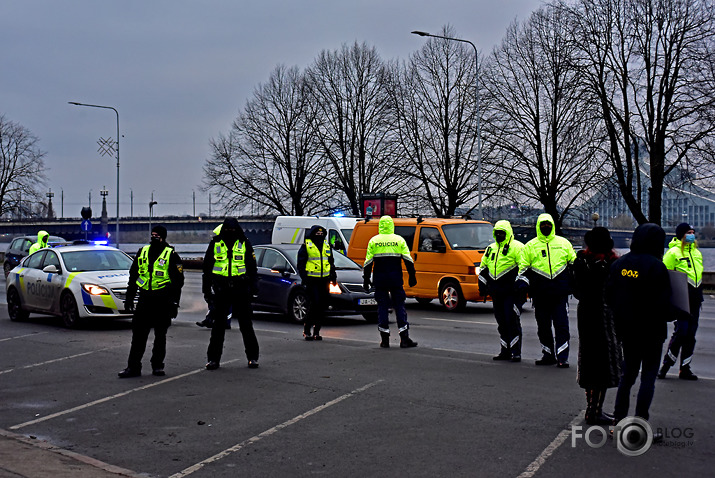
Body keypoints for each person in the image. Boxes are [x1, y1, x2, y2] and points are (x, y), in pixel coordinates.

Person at [606, 223, 670, 435]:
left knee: (627, 376)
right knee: (648, 377)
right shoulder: (656, 266)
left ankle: (618, 420)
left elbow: (609, 296)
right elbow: (665, 304)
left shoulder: (620, 264)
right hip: (651, 331)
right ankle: (641, 424)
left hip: (627, 330)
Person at [118, 225, 185, 378]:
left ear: (163, 237)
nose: (154, 237)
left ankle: (158, 366)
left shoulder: (171, 255)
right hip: (144, 300)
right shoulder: (143, 252)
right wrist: (130, 297)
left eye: (157, 235)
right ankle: (133, 367)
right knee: (138, 336)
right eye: (153, 234)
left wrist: (175, 303)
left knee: (160, 336)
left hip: (163, 301)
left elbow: (178, 282)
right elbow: (133, 277)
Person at [571, 227, 622, 425]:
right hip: (604, 315)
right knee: (602, 364)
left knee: (589, 359)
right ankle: (595, 410)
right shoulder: (611, 264)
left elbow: (575, 290)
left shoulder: (580, 262)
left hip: (585, 314)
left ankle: (591, 407)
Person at [517, 213, 576, 367]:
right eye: (542, 224)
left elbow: (574, 265)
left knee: (561, 326)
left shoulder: (564, 243)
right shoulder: (530, 246)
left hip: (560, 294)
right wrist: (523, 287)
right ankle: (548, 355)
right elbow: (523, 270)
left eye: (548, 224)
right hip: (540, 295)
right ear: (538, 225)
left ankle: (562, 358)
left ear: (552, 225)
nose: (545, 226)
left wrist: (574, 285)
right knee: (543, 327)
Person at [202, 217, 260, 370]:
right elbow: (207, 269)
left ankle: (253, 357)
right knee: (218, 327)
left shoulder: (244, 243)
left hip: (241, 289)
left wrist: (254, 287)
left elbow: (252, 268)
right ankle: (213, 359)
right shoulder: (215, 244)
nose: (230, 231)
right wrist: (207, 290)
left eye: (232, 228)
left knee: (246, 325)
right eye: (227, 228)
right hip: (221, 290)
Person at [363, 215, 418, 348]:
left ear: (380, 225)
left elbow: (368, 263)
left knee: (382, 307)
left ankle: (385, 340)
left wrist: (366, 280)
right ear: (392, 225)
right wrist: (412, 276)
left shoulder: (374, 241)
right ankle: (404, 339)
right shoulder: (399, 240)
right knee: (399, 306)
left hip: (380, 280)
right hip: (395, 279)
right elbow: (408, 260)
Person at [658, 222, 703, 381]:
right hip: (681, 300)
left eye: (693, 231)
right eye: (688, 232)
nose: (691, 234)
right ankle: (665, 366)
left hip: (696, 299)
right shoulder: (673, 252)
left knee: (691, 335)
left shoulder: (697, 252)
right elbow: (664, 275)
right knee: (681, 332)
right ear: (681, 234)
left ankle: (685, 369)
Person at [478, 220, 525, 362]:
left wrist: (520, 288)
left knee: (512, 321)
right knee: (501, 322)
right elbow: (484, 267)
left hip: (512, 293)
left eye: (502, 233)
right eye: (496, 233)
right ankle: (505, 351)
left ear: (508, 233)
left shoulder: (518, 247)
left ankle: (516, 352)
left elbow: (523, 267)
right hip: (496, 292)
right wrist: (482, 285)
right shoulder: (491, 248)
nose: (499, 235)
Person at [297, 225, 337, 340]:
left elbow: (331, 262)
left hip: (324, 279)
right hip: (312, 279)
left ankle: (317, 331)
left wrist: (333, 277)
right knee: (314, 304)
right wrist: (304, 278)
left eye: (321, 234)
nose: (319, 236)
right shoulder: (307, 246)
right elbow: (301, 264)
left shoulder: (326, 245)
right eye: (317, 234)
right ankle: (307, 329)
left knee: (322, 306)